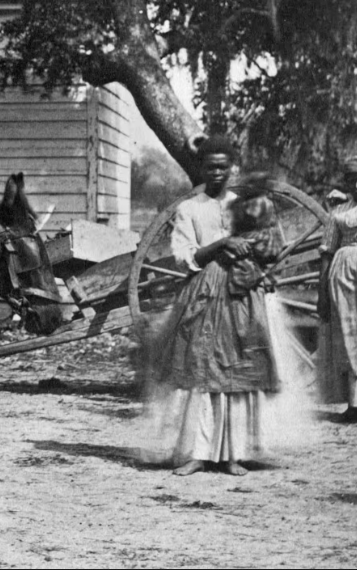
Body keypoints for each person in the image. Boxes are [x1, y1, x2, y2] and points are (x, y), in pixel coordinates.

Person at [145, 135, 289, 476]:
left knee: (235, 369)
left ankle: (232, 454)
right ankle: (198, 452)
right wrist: (222, 242)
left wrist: (256, 260)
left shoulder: (246, 203)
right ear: (202, 169)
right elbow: (184, 256)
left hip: (241, 292)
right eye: (211, 167)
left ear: (231, 168)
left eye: (223, 167)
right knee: (201, 368)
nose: (217, 173)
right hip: (204, 291)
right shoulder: (189, 208)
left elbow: (267, 243)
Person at [318, 155, 357, 422]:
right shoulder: (338, 212)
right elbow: (326, 252)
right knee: (348, 334)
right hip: (343, 273)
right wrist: (321, 292)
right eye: (352, 180)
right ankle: (353, 404)